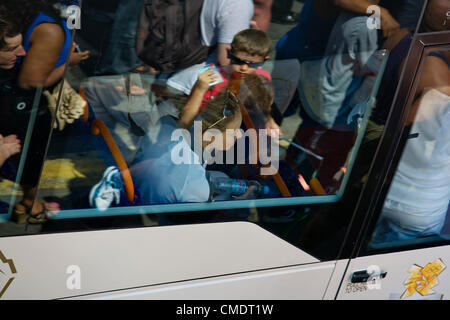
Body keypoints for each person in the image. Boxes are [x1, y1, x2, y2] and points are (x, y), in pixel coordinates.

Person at [368, 0, 450, 244]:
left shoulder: (403, 38)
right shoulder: (439, 81)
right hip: (413, 205)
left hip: (385, 194)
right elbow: (400, 137)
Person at [0, 0, 87, 223]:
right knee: (29, 161)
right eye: (11, 49)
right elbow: (33, 81)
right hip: (25, 110)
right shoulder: (47, 25)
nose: (22, 52)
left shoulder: (29, 12)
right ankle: (30, 204)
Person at [130, 76, 243, 205]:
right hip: (157, 213)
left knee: (222, 177)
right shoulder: (197, 187)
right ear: (209, 136)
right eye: (233, 132)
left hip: (144, 187)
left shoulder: (166, 125)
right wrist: (240, 204)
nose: (239, 135)